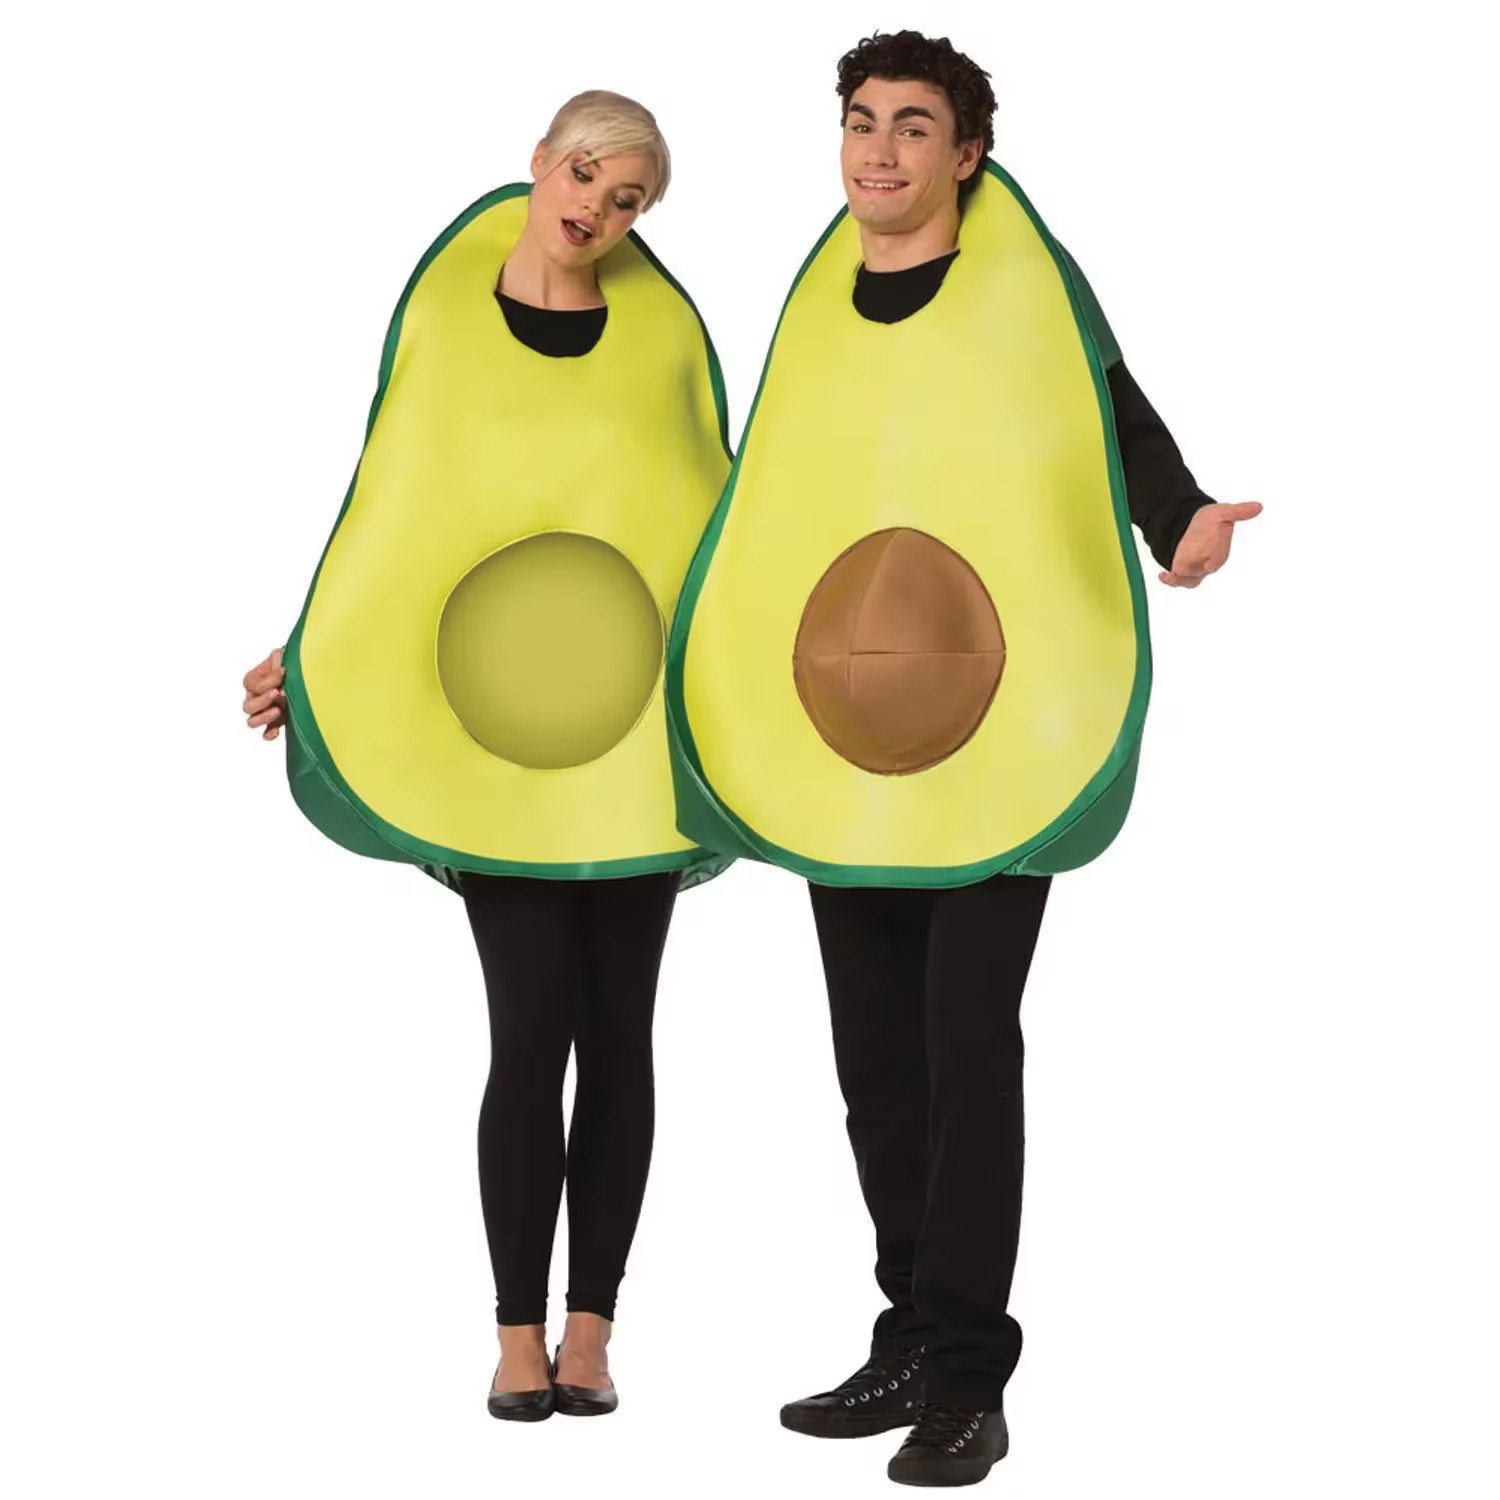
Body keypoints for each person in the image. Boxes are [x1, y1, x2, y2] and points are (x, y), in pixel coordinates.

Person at [664, 31, 1261, 1488]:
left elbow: (1109, 407)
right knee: (875, 1061)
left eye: (913, 128)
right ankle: (910, 1334)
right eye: (861, 122)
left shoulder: (1024, 286)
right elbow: (767, 489)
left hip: (1000, 733)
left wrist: (1178, 513)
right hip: (844, 739)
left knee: (966, 1045)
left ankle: (969, 1376)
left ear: (967, 155)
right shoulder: (818, 307)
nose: (879, 152)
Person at [241, 90, 731, 1423]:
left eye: (628, 200)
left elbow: (713, 514)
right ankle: (518, 1334)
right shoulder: (449, 323)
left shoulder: (662, 340)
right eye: (584, 176)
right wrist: (314, 655)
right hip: (495, 742)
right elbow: (401, 515)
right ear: (539, 162)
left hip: (633, 739)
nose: (597, 210)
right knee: (530, 1035)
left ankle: (593, 1330)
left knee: (620, 1037)